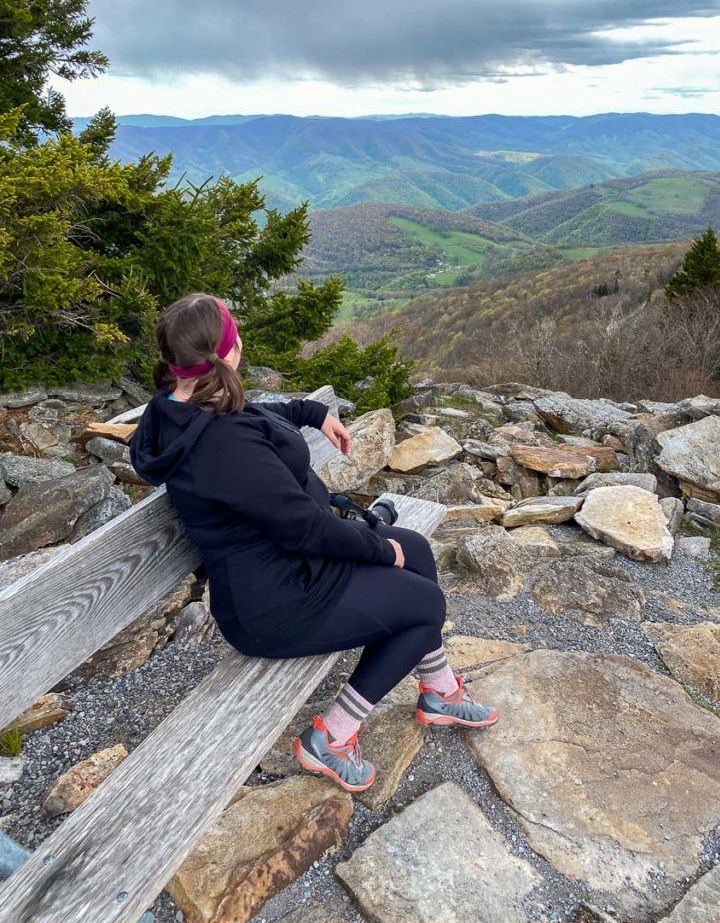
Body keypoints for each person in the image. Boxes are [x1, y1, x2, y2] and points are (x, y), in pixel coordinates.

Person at [129, 292, 497, 793]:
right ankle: (331, 738)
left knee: (418, 547)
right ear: (229, 352)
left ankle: (438, 690)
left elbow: (249, 414)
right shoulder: (222, 447)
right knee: (424, 603)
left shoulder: (181, 406)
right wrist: (379, 552)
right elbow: (306, 527)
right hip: (277, 601)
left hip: (286, 565)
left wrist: (308, 411)